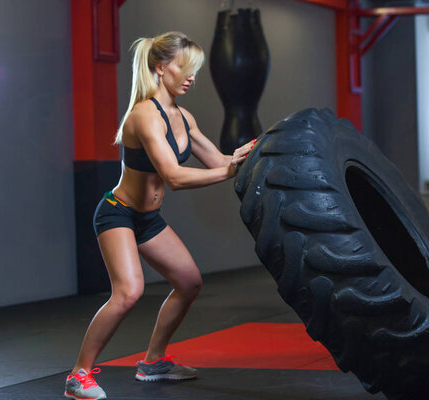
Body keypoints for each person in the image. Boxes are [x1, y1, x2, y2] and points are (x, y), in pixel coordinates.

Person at [64, 31, 255, 400]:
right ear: (160, 67)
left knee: (189, 282)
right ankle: (78, 375)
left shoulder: (183, 117)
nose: (192, 77)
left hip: (148, 219)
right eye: (185, 68)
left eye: (194, 70)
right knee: (128, 292)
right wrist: (229, 171)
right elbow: (175, 177)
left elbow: (219, 161)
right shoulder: (144, 117)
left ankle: (152, 362)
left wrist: (250, 153)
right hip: (117, 214)